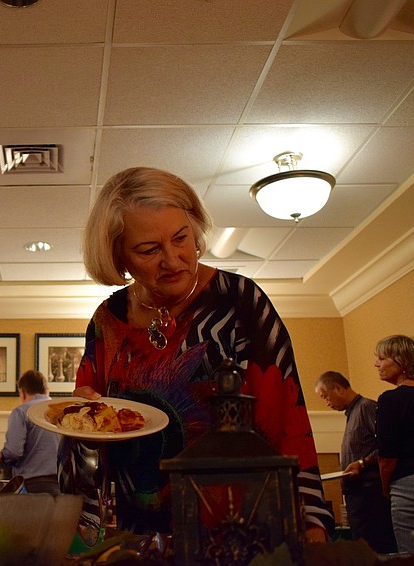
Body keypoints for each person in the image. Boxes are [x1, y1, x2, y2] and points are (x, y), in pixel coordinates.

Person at [60, 166, 334, 545]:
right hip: (137, 534)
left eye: (181, 238)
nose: (172, 260)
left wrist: (311, 527)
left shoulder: (240, 303)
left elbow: (288, 421)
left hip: (240, 530)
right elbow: (83, 426)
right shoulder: (108, 321)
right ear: (118, 257)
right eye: (149, 249)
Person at [315, 371, 396, 553]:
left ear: (338, 388)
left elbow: (388, 446)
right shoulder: (352, 414)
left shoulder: (366, 407)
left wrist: (362, 463)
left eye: (325, 396)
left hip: (370, 496)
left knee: (374, 550)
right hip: (358, 496)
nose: (326, 403)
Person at [374, 334, 414, 554]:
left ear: (401, 361)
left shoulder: (390, 400)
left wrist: (385, 488)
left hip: (409, 485)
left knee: (413, 555)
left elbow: (387, 456)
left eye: (382, 358)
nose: (376, 364)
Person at [0, 369, 61, 495]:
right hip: (61, 484)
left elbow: (14, 451)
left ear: (23, 392)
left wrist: (2, 456)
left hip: (32, 485)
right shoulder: (60, 411)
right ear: (46, 390)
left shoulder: (21, 412)